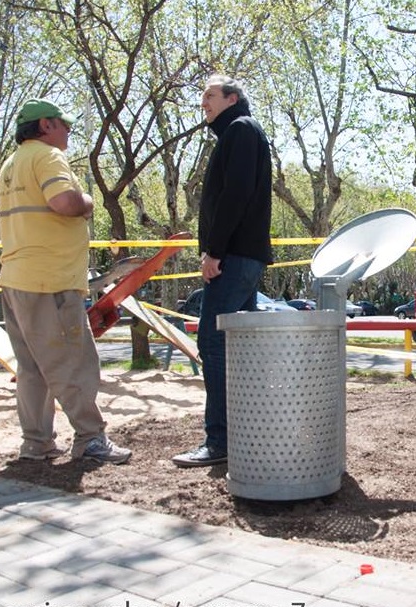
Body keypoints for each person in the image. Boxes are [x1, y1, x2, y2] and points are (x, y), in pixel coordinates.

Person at [0, 98, 131, 464]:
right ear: (45, 125)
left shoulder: (11, 164)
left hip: (16, 278)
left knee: (32, 368)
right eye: (63, 124)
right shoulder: (47, 156)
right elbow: (64, 203)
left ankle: (36, 443)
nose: (69, 130)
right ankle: (90, 438)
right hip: (50, 280)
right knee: (73, 361)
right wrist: (86, 201)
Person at [172, 75, 273, 467]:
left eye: (210, 96)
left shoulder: (240, 129)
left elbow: (235, 194)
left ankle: (219, 441)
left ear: (232, 99)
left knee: (213, 342)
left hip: (234, 257)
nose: (204, 103)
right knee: (238, 347)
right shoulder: (240, 132)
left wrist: (214, 252)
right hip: (243, 256)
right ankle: (247, 433)